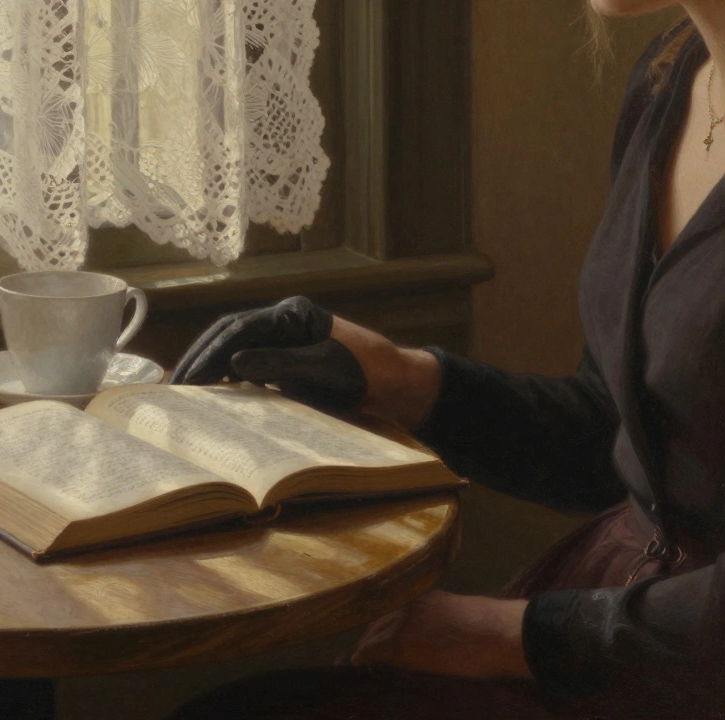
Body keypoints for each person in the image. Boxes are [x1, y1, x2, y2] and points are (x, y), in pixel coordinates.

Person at [168, 1, 725, 717]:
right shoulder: (671, 75)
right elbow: (616, 437)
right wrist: (401, 376)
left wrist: (515, 635)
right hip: (612, 618)